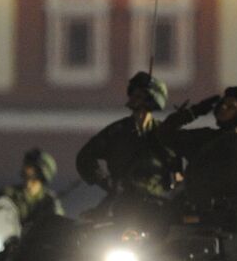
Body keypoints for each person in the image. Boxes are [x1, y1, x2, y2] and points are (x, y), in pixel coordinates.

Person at [75, 72, 182, 207]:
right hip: (122, 202)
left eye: (140, 95)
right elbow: (85, 157)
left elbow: (179, 170)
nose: (134, 98)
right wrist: (105, 181)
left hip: (157, 203)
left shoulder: (165, 133)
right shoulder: (117, 132)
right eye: (133, 94)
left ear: (151, 99)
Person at [0, 148, 64, 229]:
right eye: (26, 177)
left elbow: (58, 226)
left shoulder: (50, 201)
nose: (28, 184)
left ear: (42, 179)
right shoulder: (9, 195)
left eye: (34, 179)